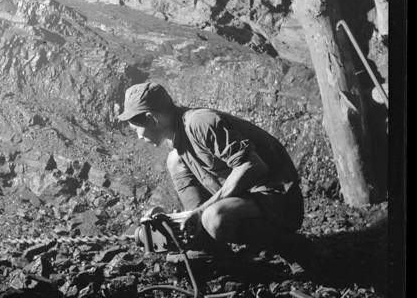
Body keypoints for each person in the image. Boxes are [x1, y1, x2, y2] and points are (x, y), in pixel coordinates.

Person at [117, 81, 317, 275]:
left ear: (152, 117)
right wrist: (178, 219)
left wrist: (202, 211)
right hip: (252, 197)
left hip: (280, 201)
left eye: (137, 130)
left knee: (214, 218)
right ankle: (208, 246)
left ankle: (295, 248)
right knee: (175, 160)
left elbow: (253, 166)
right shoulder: (180, 137)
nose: (139, 137)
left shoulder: (200, 123)